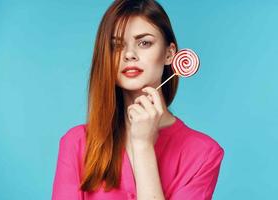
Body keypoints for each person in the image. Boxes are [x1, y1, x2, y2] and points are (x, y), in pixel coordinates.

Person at [52, 0, 224, 199]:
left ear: (169, 54)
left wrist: (143, 145)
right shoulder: (77, 143)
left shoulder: (203, 153)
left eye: (144, 43)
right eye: (116, 46)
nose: (129, 55)